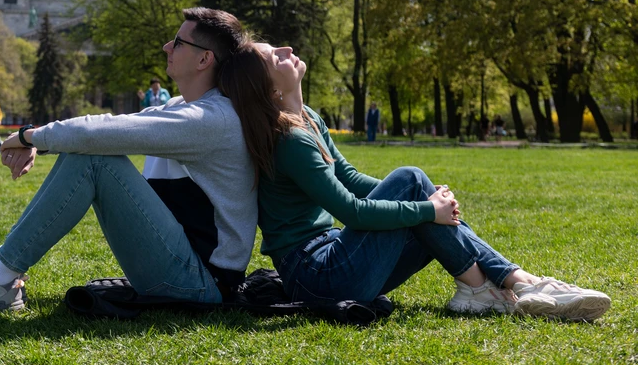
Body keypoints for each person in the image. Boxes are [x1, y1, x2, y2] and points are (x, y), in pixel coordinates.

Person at [217, 41, 612, 321]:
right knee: (411, 181)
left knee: (417, 187)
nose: (286, 50)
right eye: (274, 56)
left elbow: (351, 179)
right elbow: (350, 209)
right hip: (316, 276)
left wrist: (428, 201)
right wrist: (425, 205)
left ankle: (500, 287)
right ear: (270, 88)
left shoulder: (310, 120)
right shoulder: (288, 140)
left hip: (336, 258)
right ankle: (504, 285)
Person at [0, 8, 256, 312]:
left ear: (204, 59)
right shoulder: (179, 108)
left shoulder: (211, 119)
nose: (167, 47)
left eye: (179, 43)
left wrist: (26, 136)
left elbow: (97, 134)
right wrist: (41, 140)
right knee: (92, 150)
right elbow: (108, 128)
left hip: (201, 283)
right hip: (184, 268)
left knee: (94, 158)